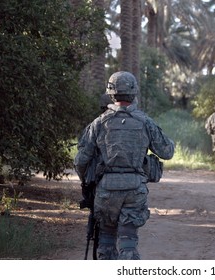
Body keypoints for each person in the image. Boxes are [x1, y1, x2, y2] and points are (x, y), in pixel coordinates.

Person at [74, 71, 175, 259]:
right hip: (135, 190)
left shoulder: (98, 123)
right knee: (128, 240)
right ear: (134, 92)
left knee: (105, 240)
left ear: (111, 93)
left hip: (106, 191)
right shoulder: (145, 122)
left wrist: (87, 184)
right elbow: (167, 152)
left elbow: (81, 161)